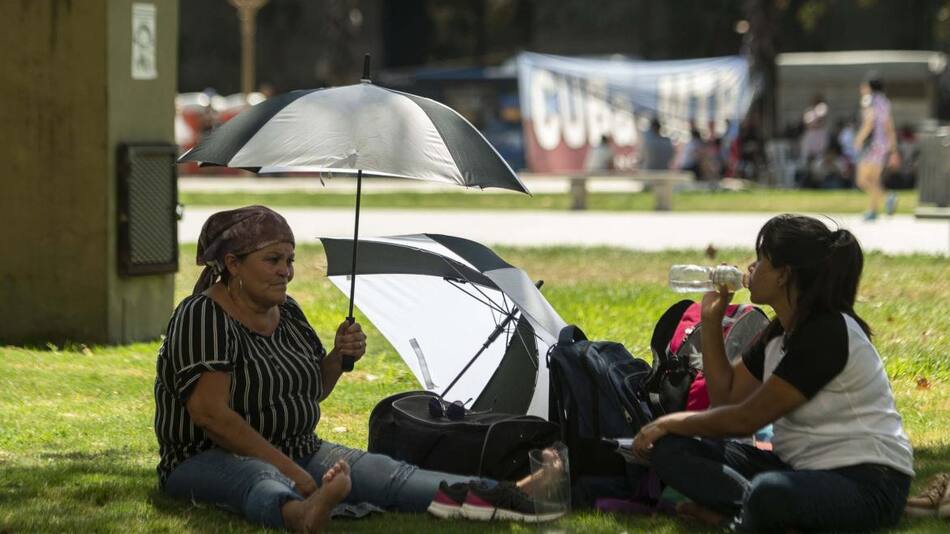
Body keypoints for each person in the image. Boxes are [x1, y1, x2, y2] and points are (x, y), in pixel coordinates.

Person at [154, 206, 557, 532]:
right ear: (233, 263)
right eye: (273, 260)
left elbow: (310, 391)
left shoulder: (287, 311)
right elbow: (211, 415)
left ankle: (502, 495)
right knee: (260, 480)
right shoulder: (202, 315)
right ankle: (302, 515)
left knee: (388, 474)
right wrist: (293, 472)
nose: (286, 271)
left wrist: (337, 358)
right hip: (205, 457)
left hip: (298, 447)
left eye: (290, 260)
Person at [632, 214, 914, 532]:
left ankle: (745, 517)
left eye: (761, 260)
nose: (750, 268)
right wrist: (712, 323)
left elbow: (746, 419)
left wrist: (667, 421)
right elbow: (725, 398)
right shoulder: (781, 331)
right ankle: (762, 516)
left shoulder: (825, 331)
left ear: (784, 275)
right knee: (672, 450)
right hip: (799, 469)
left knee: (769, 491)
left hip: (867, 483)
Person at [853, 72, 899, 221]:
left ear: (869, 87)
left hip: (871, 144)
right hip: (882, 145)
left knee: (862, 180)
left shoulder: (868, 100)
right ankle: (873, 210)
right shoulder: (884, 101)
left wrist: (859, 138)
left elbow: (870, 121)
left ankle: (887, 199)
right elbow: (889, 126)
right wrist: (893, 148)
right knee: (874, 179)